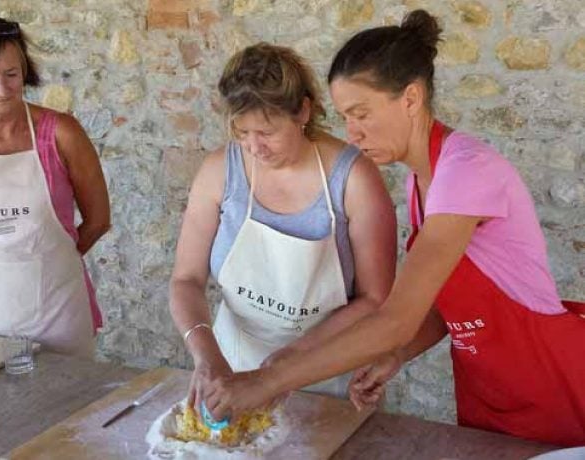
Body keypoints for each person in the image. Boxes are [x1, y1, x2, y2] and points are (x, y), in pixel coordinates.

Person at [200, 11, 585, 447]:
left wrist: (268, 380)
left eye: (361, 113)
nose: (352, 132)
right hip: (491, 387)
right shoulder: (422, 181)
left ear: (411, 98)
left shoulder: (467, 171)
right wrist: (397, 354)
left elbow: (396, 316)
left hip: (547, 383)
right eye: (345, 117)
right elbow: (449, 304)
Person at [169, 43, 397, 411]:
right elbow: (186, 280)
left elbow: (374, 299)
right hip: (233, 367)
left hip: (328, 370)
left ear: (303, 111)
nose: (255, 147)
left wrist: (284, 364)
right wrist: (206, 355)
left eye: (267, 132)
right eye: (242, 133)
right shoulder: (218, 171)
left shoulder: (354, 179)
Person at [0, 17, 110, 357]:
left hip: (55, 311)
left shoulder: (61, 133)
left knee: (67, 404)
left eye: (12, 75)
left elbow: (99, 220)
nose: (2, 88)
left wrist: (49, 258)